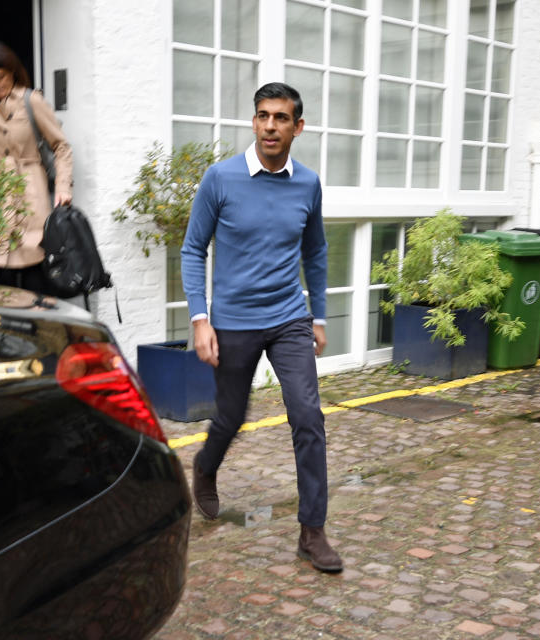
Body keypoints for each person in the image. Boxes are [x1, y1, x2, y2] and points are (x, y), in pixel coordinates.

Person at [180, 82, 342, 573]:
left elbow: (314, 251)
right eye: (262, 116)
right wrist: (200, 318)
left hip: (289, 318)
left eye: (280, 118)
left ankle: (312, 531)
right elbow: (192, 249)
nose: (270, 125)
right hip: (233, 321)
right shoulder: (220, 179)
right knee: (231, 417)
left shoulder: (308, 184)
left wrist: (316, 316)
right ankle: (205, 467)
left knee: (308, 418)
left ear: (298, 126)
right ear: (254, 122)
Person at [0, 41, 73, 295]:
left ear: (12, 71)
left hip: (29, 196)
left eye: (0, 77)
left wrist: (63, 187)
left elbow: (61, 147)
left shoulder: (32, 101)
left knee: (36, 281)